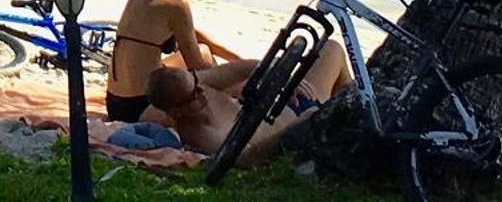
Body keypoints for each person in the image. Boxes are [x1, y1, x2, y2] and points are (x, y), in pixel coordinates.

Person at [105, 0, 249, 123]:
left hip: (116, 103)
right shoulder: (176, 3)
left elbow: (196, 36)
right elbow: (197, 66)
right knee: (214, 85)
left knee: (205, 52)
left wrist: (238, 61)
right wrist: (235, 82)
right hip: (142, 107)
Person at [144, 38, 352, 166]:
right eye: (194, 94)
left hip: (285, 103)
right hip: (298, 121)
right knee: (335, 60)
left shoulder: (197, 86)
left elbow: (240, 69)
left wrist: (282, 77)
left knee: (330, 48)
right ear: (176, 111)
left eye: (196, 83)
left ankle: (355, 109)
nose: (201, 91)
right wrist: (300, 125)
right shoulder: (203, 135)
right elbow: (249, 158)